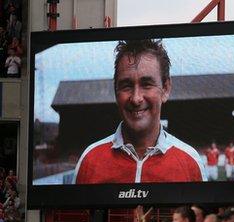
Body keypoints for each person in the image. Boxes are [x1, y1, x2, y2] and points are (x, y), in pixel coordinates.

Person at [74, 39, 206, 184]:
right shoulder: (90, 160)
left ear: (166, 89)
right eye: (126, 86)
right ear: (115, 91)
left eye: (146, 84)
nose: (136, 99)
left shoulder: (189, 163)